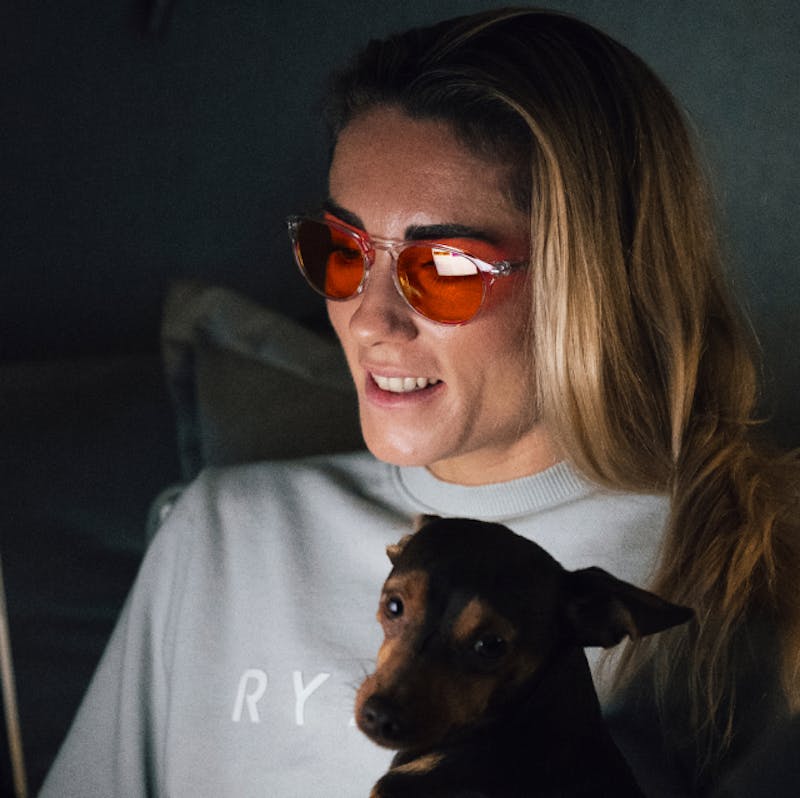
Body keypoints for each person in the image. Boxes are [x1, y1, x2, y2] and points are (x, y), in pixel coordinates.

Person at [40, 8, 799, 797]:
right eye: (342, 252)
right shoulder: (225, 532)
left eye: (443, 267)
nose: (369, 320)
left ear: (594, 287)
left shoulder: (748, 566)